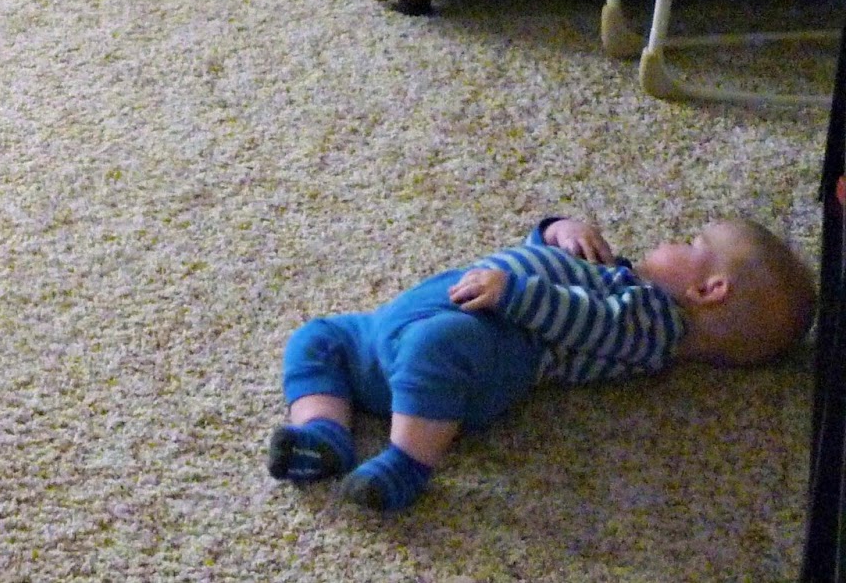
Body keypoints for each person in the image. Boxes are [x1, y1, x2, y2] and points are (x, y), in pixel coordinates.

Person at [268, 216, 817, 512]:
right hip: (403, 323)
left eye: (690, 240)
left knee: (437, 347)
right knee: (320, 337)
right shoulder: (622, 276)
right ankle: (323, 432)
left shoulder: (657, 328)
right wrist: (557, 230)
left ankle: (408, 462)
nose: (669, 238)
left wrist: (513, 295)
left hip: (494, 348)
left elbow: (587, 321)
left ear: (709, 288)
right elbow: (545, 256)